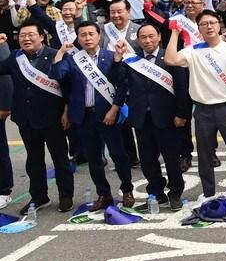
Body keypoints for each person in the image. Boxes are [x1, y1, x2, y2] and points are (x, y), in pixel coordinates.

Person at [164, 9, 226, 208]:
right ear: (198, 28)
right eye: (203, 24)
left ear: (219, 25)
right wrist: (175, 32)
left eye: (212, 22)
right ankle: (208, 192)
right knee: (205, 154)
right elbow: (170, 60)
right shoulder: (192, 50)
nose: (209, 26)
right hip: (203, 110)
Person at [54, 20, 132, 209]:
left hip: (108, 114)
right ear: (78, 39)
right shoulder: (73, 59)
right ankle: (103, 194)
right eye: (83, 35)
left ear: (99, 36)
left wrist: (114, 109)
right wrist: (62, 51)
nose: (87, 38)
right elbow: (57, 74)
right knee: (94, 158)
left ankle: (127, 190)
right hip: (84, 116)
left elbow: (122, 84)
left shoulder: (111, 55)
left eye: (91, 34)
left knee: (118, 154)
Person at [0, 20, 73, 211]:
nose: (26, 38)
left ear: (41, 36)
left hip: (53, 117)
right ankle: (39, 197)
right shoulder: (15, 57)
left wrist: (66, 111)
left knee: (60, 159)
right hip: (26, 118)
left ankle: (66, 196)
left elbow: (67, 87)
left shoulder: (55, 54)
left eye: (31, 34)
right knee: (34, 161)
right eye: (22, 35)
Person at [118, 21, 190, 210]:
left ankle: (175, 193)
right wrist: (118, 59)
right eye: (143, 37)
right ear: (138, 40)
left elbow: (182, 88)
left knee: (172, 159)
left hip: (167, 117)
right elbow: (118, 80)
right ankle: (156, 193)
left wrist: (182, 114)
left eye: (152, 36)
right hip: (141, 117)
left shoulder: (171, 57)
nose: (148, 40)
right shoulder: (132, 60)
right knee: (148, 160)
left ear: (159, 37)